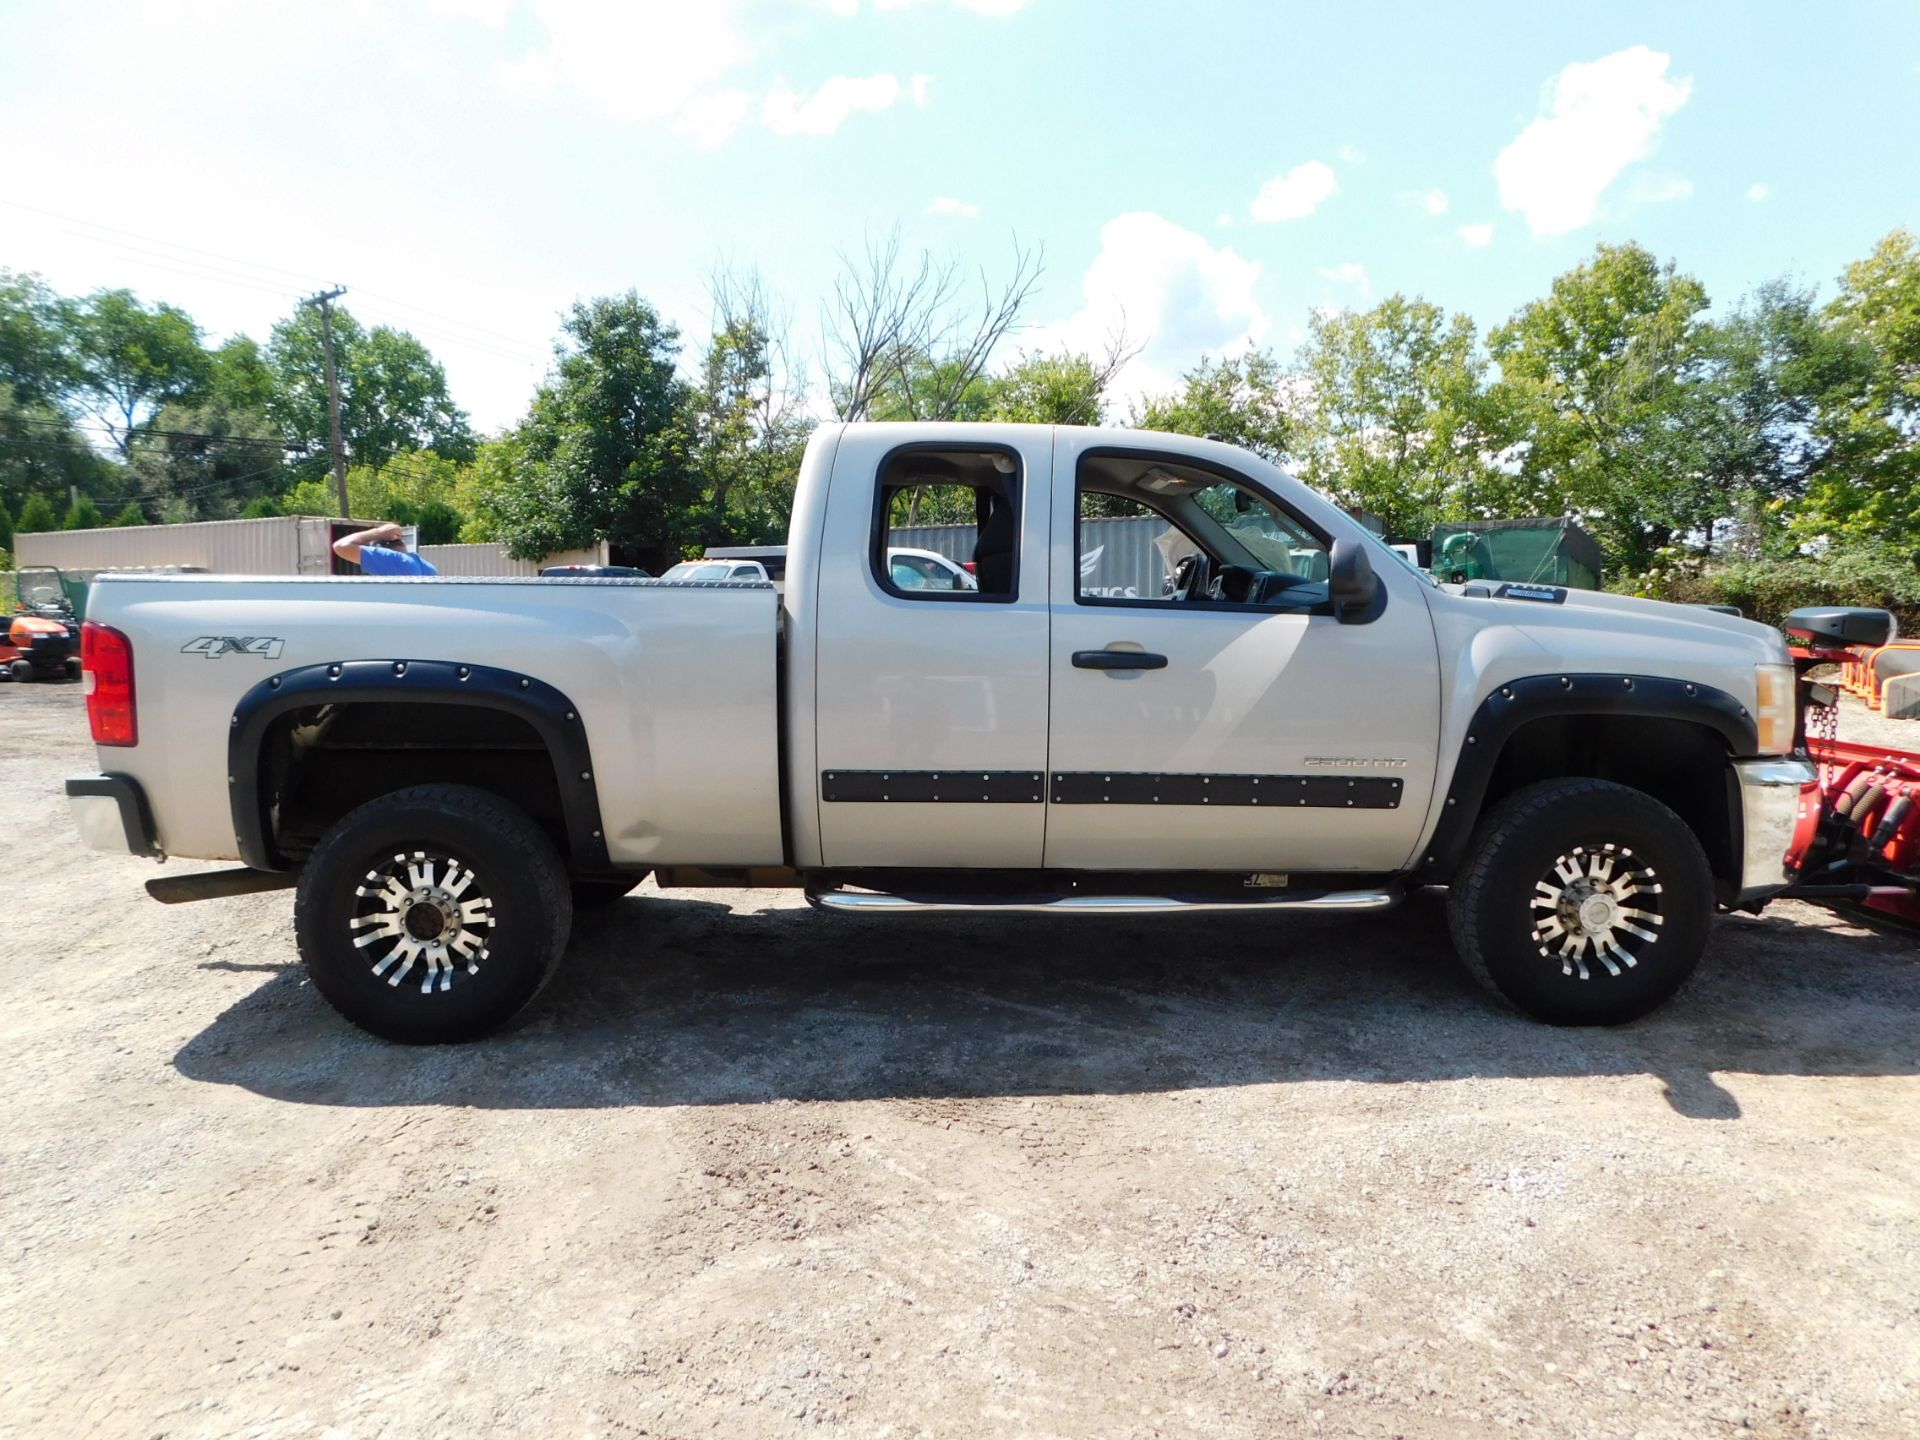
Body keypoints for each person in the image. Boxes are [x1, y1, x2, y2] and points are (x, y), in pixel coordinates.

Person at [332, 522, 439, 577]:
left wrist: (379, 532)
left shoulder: (392, 559)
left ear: (379, 549)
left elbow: (340, 546)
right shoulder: (426, 566)